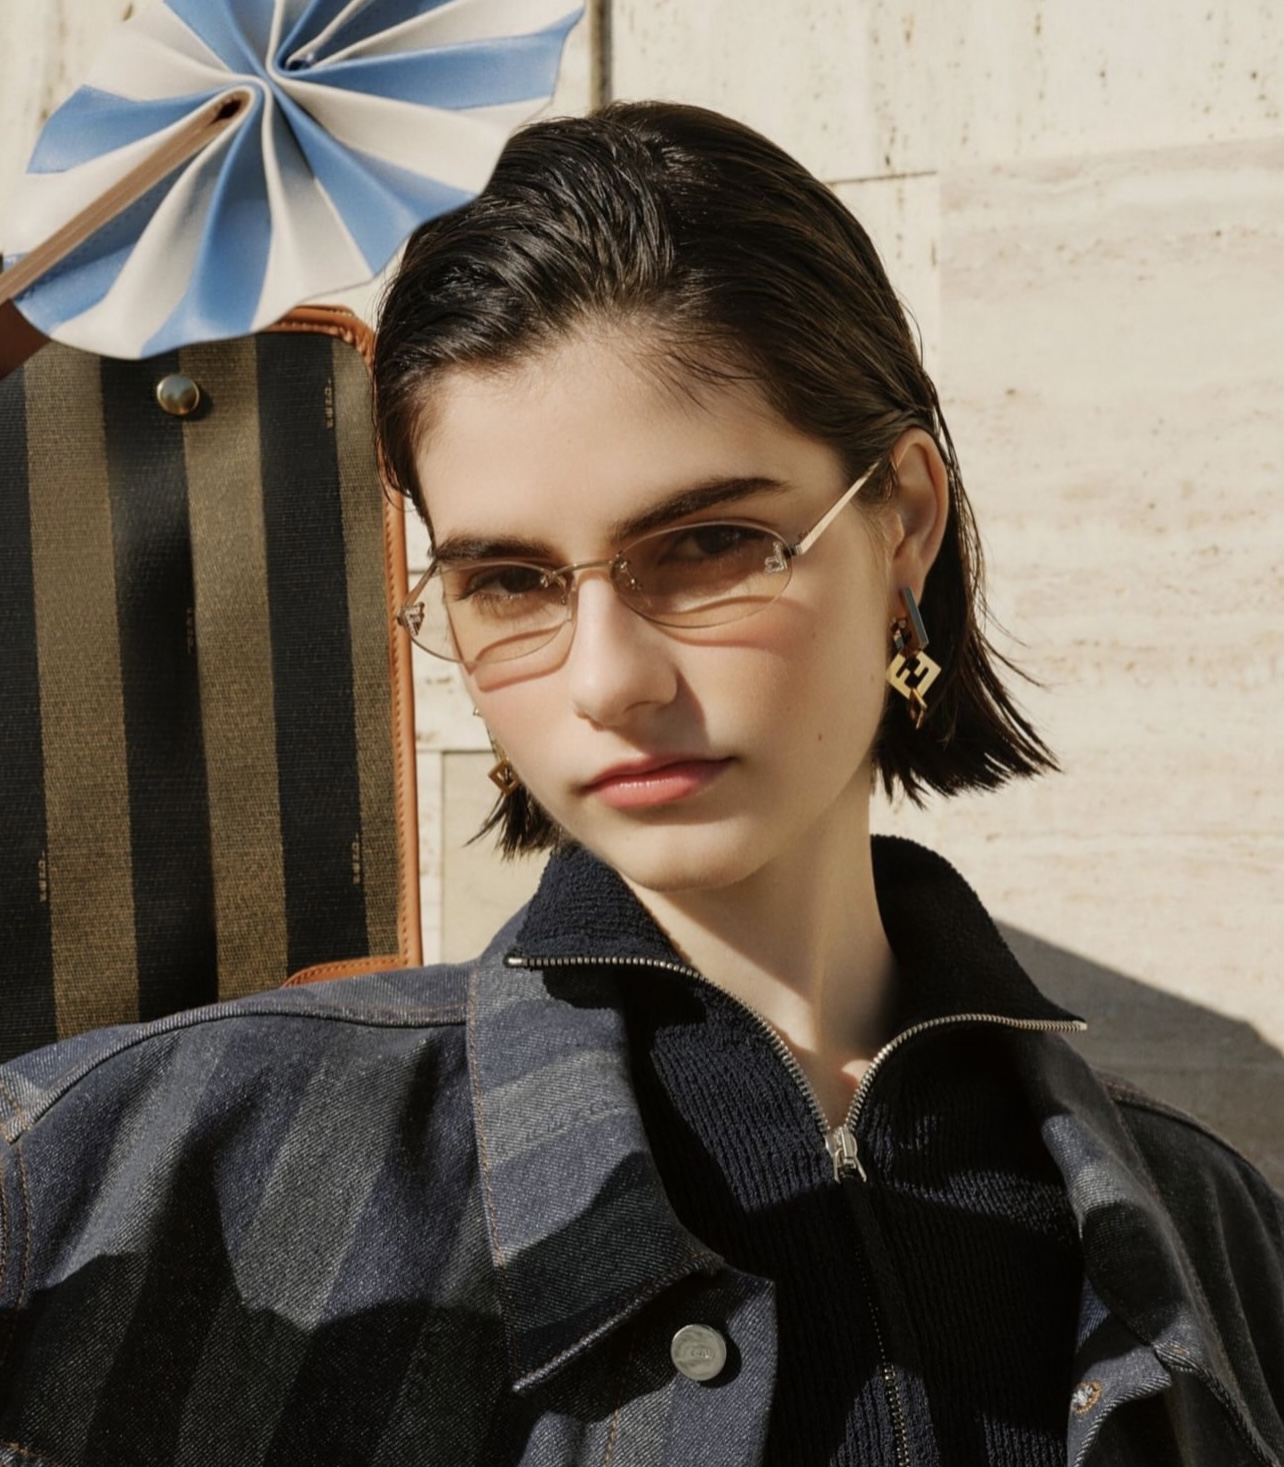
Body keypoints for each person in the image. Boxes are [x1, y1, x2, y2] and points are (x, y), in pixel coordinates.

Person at [0, 102, 1280, 1467]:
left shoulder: (1213, 1238)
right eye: (510, 582)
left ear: (905, 519)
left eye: (710, 545)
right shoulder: (149, 1164)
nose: (607, 679)